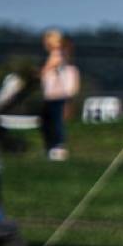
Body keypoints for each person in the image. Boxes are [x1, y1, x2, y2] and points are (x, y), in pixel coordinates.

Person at [38, 30, 79, 162]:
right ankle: (53, 146)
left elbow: (46, 70)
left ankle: (57, 146)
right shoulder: (60, 55)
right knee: (52, 121)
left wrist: (40, 72)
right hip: (53, 94)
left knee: (55, 121)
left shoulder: (56, 55)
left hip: (56, 94)